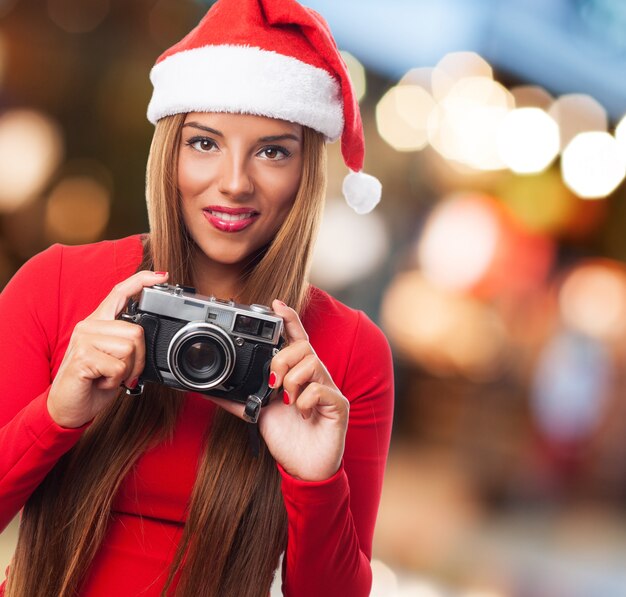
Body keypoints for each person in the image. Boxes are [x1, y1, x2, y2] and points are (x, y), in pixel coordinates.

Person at [0, 0, 394, 595]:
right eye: (205, 143)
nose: (235, 182)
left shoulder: (346, 354)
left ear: (306, 170)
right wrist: (56, 416)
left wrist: (315, 478)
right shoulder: (57, 285)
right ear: (170, 153)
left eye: (273, 150)